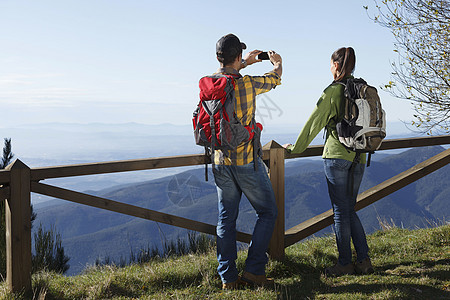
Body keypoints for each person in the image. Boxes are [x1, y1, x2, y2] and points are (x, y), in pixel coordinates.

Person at [283, 47, 374, 276]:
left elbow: (314, 123)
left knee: (341, 212)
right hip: (361, 156)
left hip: (337, 157)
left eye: (330, 64)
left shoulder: (334, 91)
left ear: (335, 65)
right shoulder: (362, 89)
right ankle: (363, 261)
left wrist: (295, 149)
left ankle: (344, 264)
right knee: (349, 209)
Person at [211, 33, 282, 289]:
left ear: (218, 57)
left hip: (219, 160)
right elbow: (274, 81)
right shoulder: (248, 84)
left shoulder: (211, 85)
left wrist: (244, 62)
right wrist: (277, 64)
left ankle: (228, 278)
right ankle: (253, 271)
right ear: (238, 56)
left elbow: (229, 73)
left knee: (226, 220)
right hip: (245, 161)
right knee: (268, 212)